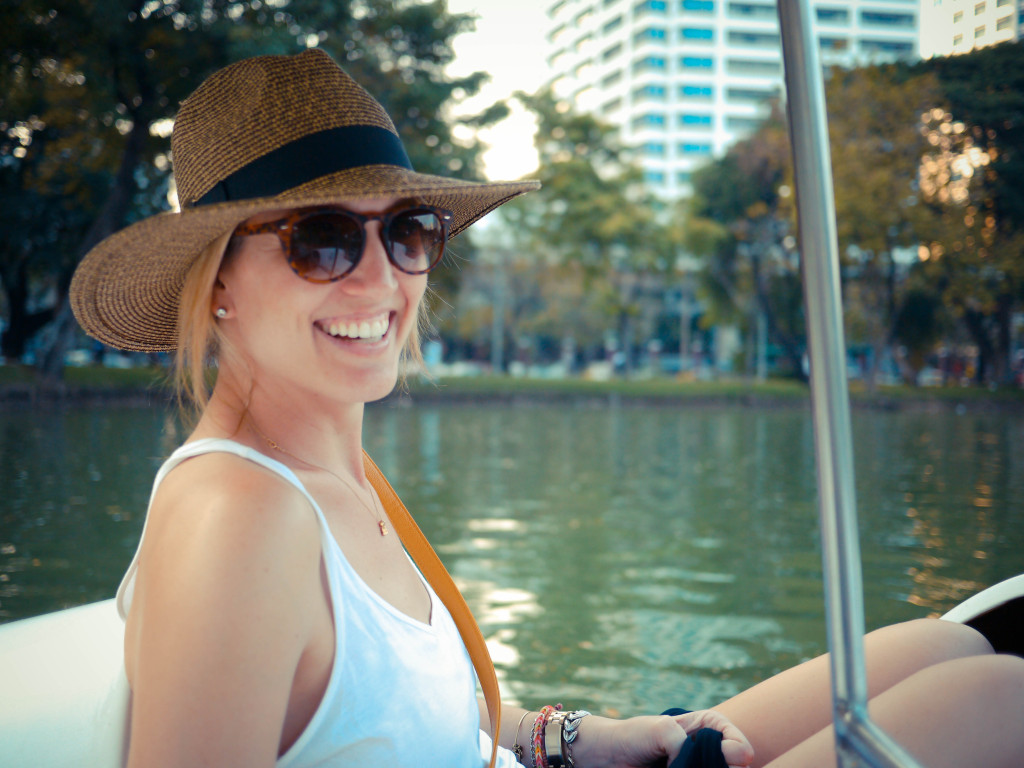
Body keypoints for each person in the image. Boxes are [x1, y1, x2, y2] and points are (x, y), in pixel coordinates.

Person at [69, 49, 1024, 768]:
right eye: (323, 241)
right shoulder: (241, 516)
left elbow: (390, 712)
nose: (380, 279)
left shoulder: (336, 477)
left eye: (406, 232)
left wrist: (566, 737)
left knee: (948, 644)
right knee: (997, 699)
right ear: (219, 281)